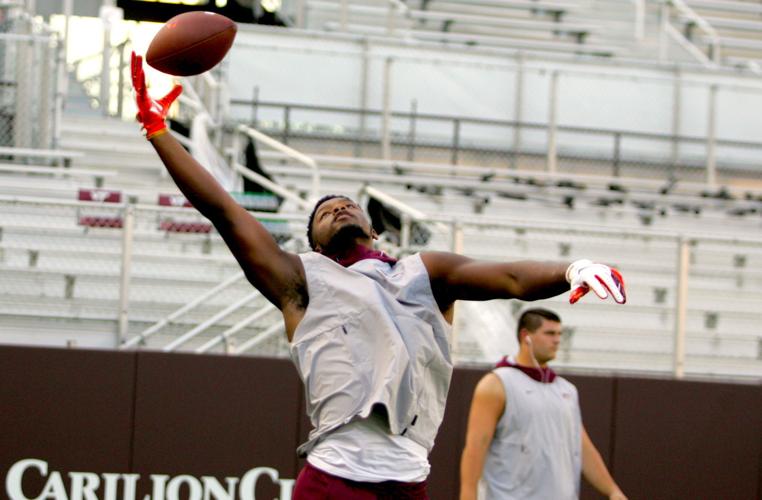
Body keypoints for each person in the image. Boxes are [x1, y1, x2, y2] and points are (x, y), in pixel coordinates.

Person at [130, 53, 627, 499]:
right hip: (334, 477)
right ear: (315, 244)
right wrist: (159, 133)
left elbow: (512, 279)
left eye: (347, 204)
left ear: (371, 226)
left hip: (409, 479)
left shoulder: (427, 273)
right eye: (324, 211)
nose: (338, 206)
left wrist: (571, 269)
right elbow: (223, 209)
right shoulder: (301, 282)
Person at [459, 308, 627, 500]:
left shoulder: (567, 390)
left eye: (559, 334)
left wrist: (613, 491)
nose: (556, 340)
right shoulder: (496, 384)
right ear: (525, 336)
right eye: (549, 333)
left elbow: (583, 449)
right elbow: (474, 450)